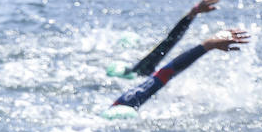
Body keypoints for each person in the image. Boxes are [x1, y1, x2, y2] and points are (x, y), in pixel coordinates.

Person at [102, 29, 251, 119]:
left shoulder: (122, 104)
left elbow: (163, 72)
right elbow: (164, 73)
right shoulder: (121, 106)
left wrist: (207, 45)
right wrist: (207, 45)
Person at [106, 0, 221, 79]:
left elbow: (168, 43)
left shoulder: (141, 74)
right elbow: (168, 43)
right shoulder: (142, 76)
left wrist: (193, 13)